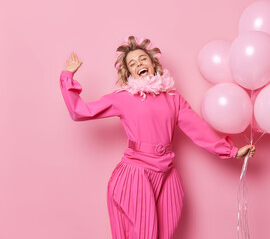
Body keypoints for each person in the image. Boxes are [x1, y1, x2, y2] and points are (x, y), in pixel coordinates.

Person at [59, 36, 256, 239]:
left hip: (167, 174)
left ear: (153, 64)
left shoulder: (174, 100)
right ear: (129, 72)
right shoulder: (123, 98)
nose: (139, 64)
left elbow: (199, 131)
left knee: (165, 233)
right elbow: (80, 111)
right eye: (133, 63)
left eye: (143, 59)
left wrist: (231, 151)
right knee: (145, 234)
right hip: (136, 173)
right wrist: (67, 77)